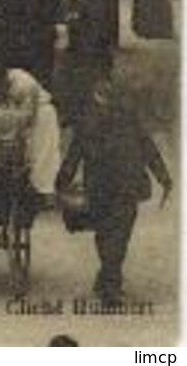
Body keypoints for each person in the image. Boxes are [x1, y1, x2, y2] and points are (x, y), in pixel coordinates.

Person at [55, 75, 173, 306]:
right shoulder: (129, 118)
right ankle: (110, 281)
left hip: (102, 187)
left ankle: (109, 281)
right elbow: (148, 148)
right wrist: (163, 178)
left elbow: (73, 156)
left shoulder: (89, 121)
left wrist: (60, 183)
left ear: (97, 97)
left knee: (107, 234)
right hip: (125, 187)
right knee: (118, 234)